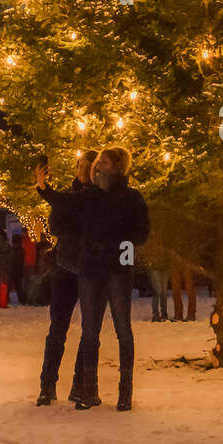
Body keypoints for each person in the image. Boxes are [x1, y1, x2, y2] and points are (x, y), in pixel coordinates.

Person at [71, 146, 150, 412]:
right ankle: (88, 390)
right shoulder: (88, 197)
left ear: (116, 167)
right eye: (98, 162)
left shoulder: (131, 198)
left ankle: (125, 391)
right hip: (91, 269)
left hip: (117, 269)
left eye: (103, 162)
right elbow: (68, 219)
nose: (97, 166)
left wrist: (117, 245)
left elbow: (141, 233)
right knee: (89, 331)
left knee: (122, 329)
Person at [35, 150, 96, 406]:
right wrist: (44, 188)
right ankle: (47, 387)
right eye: (80, 165)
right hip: (65, 269)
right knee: (57, 330)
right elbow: (59, 220)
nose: (83, 170)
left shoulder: (100, 200)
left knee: (89, 332)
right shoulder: (67, 197)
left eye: (88, 166)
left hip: (92, 272)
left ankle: (79, 386)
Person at [141, 238, 170, 322]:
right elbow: (147, 250)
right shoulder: (152, 240)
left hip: (165, 268)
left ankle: (164, 314)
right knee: (158, 291)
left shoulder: (166, 240)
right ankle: (155, 314)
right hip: (155, 268)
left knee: (163, 293)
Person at [170, 250, 197, 322]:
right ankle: (179, 314)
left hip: (185, 261)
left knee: (189, 289)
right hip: (176, 262)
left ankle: (190, 314)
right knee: (177, 290)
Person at [9, 233, 26, 305]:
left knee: (13, 285)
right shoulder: (21, 249)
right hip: (19, 270)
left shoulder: (12, 250)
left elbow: (11, 260)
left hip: (13, 270)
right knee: (19, 286)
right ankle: (22, 300)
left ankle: (6, 298)